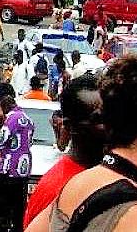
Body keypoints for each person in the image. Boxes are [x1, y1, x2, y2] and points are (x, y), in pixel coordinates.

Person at [24, 74, 104, 228]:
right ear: (70, 126)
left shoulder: (107, 175)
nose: (110, 126)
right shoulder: (58, 189)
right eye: (99, 120)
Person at [0, 83, 34, 232]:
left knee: (1, 202)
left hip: (9, 168)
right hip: (23, 168)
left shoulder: (11, 118)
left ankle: (1, 226)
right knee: (19, 205)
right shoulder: (28, 119)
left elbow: (2, 139)